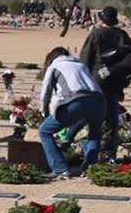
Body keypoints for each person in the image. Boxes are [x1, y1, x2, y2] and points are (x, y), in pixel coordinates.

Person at [37, 47, 105, 179]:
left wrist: (44, 115)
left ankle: (60, 168)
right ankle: (91, 168)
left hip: (76, 101)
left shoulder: (55, 66)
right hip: (99, 101)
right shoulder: (81, 65)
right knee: (94, 135)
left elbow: (45, 93)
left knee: (44, 131)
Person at [79, 6, 131, 74]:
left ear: (102, 20)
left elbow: (87, 54)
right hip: (118, 72)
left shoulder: (96, 33)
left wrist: (85, 71)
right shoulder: (122, 34)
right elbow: (130, 53)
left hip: (99, 71)